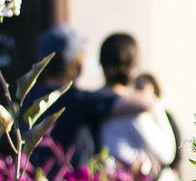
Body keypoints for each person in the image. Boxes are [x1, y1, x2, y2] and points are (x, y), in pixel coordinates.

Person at [27, 24, 159, 170]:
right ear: (76, 62)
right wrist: (146, 90)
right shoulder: (78, 99)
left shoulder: (29, 98)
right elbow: (144, 103)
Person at [97, 32, 178, 173]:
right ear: (134, 66)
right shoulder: (134, 109)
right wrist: (153, 103)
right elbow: (166, 154)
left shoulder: (91, 102)